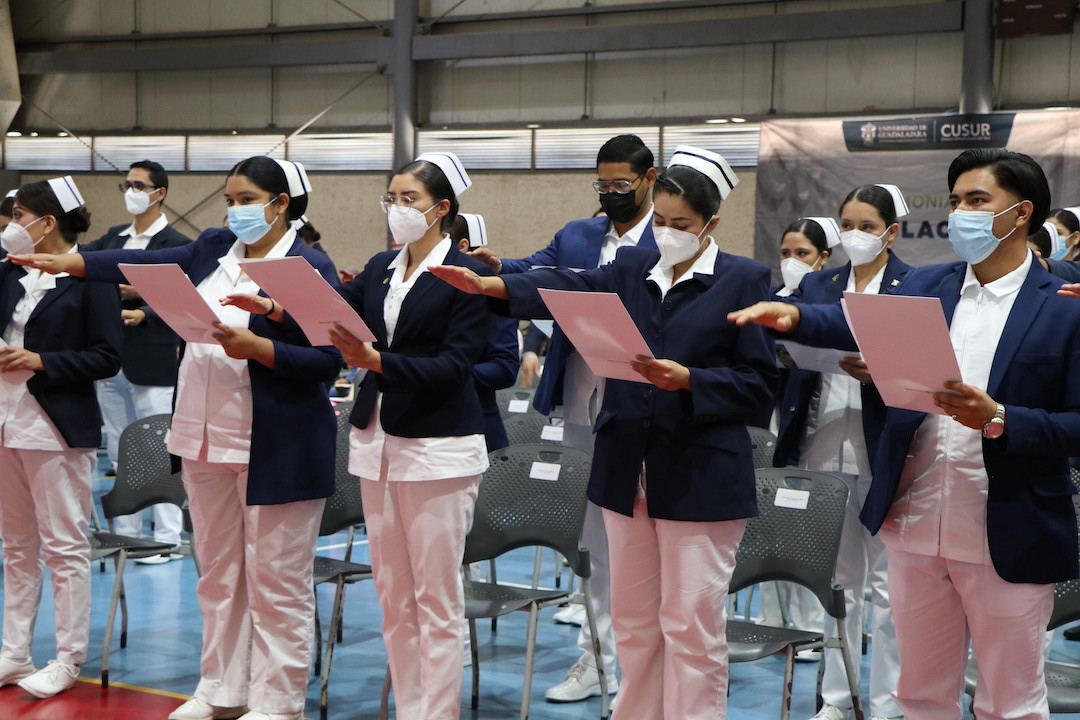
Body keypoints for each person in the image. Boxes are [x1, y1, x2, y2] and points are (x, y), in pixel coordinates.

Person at [730, 147, 1080, 720]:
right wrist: (796, 316)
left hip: (1008, 526)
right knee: (919, 695)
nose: (960, 213)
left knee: (1010, 703)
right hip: (916, 520)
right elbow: (855, 320)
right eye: (955, 201)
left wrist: (1001, 417)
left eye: (977, 200)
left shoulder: (1064, 307)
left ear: (1020, 213)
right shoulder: (929, 285)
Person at [432, 145, 779, 720]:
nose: (667, 233)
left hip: (700, 473)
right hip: (625, 468)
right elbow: (566, 284)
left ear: (711, 224)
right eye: (661, 220)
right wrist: (493, 286)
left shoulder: (743, 279)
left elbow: (760, 384)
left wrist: (691, 380)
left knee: (691, 626)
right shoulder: (631, 268)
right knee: (635, 621)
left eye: (682, 225)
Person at [14, 157, 341, 720]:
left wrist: (260, 348)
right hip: (202, 434)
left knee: (276, 581)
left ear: (281, 203)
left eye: (246, 200)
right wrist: (73, 263)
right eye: (230, 200)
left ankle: (277, 702)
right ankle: (221, 688)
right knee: (217, 575)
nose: (234, 211)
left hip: (277, 444)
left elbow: (329, 361)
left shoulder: (309, 266)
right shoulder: (213, 247)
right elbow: (144, 263)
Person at [468, 134, 659, 704]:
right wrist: (499, 268)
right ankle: (598, 659)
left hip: (642, 406)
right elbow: (535, 269)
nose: (611, 192)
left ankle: (644, 668)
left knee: (638, 546)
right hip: (579, 400)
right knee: (594, 540)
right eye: (602, 183)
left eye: (621, 183)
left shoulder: (668, 237)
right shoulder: (578, 234)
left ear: (649, 179)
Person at [327, 151, 492, 720]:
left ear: (441, 208)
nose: (396, 208)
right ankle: (410, 708)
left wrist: (378, 360)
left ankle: (437, 713)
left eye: (409, 199)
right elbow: (332, 312)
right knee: (394, 597)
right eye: (391, 198)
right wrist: (276, 304)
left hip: (438, 448)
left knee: (436, 600)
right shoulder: (380, 266)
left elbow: (454, 367)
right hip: (377, 443)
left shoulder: (463, 275)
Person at [775, 185, 910, 720]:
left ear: (891, 232)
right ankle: (838, 697)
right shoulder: (818, 283)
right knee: (838, 582)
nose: (855, 234)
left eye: (867, 226)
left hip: (884, 449)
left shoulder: (914, 285)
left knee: (888, 585)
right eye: (847, 224)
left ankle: (887, 702)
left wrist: (884, 372)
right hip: (822, 439)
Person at [0, 177, 122, 699]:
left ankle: (68, 658)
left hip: (55, 426)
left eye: (17, 216)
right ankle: (14, 652)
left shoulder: (90, 277)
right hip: (5, 420)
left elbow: (107, 356)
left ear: (47, 223)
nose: (10, 226)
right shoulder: (8, 272)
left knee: (64, 546)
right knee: (15, 546)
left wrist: (41, 360)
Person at [82, 160, 191, 557]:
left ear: (159, 193)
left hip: (153, 357)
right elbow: (81, 262)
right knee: (118, 448)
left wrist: (144, 305)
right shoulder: (114, 237)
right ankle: (126, 534)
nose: (131, 191)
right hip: (111, 356)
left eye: (139, 185)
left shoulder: (177, 243)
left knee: (159, 447)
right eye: (126, 184)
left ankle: (166, 537)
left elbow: (185, 297)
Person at [449, 212, 520, 451]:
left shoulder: (492, 292)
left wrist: (437, 376)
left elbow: (505, 368)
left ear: (463, 246)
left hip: (474, 426)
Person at [774, 216, 837, 297]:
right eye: (785, 253)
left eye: (801, 253)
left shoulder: (833, 299)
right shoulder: (770, 296)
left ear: (823, 257)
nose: (791, 261)